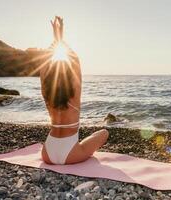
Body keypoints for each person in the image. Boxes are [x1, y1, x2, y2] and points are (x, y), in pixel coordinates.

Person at [40, 16, 109, 164]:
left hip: (47, 153)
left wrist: (56, 38)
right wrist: (61, 37)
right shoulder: (74, 95)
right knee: (104, 133)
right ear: (70, 76)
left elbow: (44, 67)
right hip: (70, 154)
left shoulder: (47, 96)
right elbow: (75, 59)